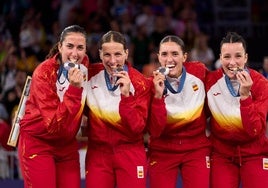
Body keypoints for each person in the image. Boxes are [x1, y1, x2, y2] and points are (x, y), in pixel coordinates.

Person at [18, 25, 89, 188]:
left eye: (80, 48)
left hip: (67, 145)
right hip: (38, 142)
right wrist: (74, 89)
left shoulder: (84, 63)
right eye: (69, 46)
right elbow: (54, 124)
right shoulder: (43, 73)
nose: (75, 54)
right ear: (60, 46)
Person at [85, 30, 151, 188]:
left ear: (126, 53)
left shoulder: (141, 83)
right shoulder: (89, 75)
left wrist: (127, 96)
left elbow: (138, 128)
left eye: (118, 54)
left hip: (130, 152)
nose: (113, 61)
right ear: (100, 54)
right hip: (98, 154)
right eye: (107, 55)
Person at [206, 32, 268, 188]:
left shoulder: (261, 84)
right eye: (227, 57)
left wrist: (246, 96)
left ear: (246, 57)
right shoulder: (210, 82)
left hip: (255, 153)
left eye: (238, 56)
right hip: (222, 155)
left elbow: (255, 130)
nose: (232, 62)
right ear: (220, 58)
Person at [147, 35, 211, 188]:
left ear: (185, 56)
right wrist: (157, 96)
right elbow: (155, 131)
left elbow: (211, 104)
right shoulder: (150, 85)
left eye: (175, 54)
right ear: (158, 57)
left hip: (196, 149)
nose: (170, 60)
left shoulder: (199, 72)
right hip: (162, 150)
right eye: (164, 54)